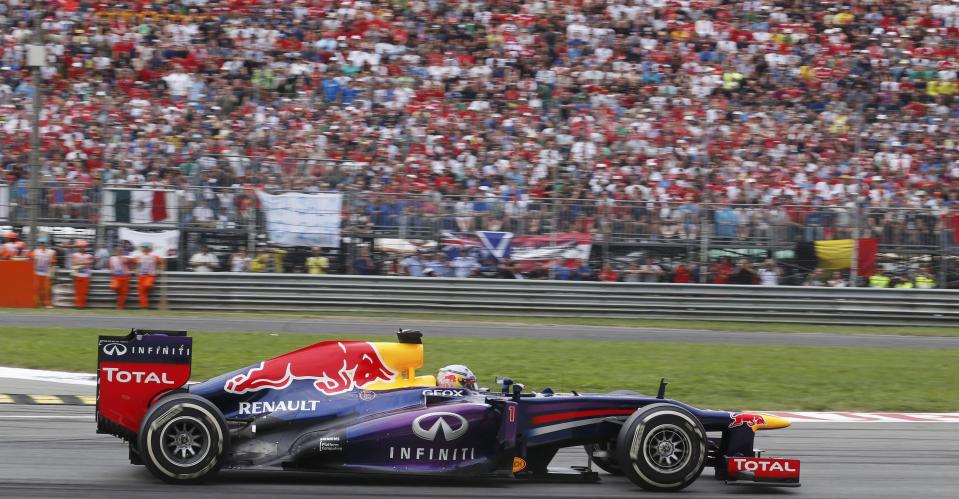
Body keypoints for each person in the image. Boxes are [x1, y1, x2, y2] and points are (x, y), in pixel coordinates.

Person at [134, 243, 163, 309]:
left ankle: (144, 305)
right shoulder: (139, 256)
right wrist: (136, 269)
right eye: (142, 247)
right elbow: (136, 264)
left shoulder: (154, 256)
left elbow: (161, 263)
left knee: (147, 285)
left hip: (150, 275)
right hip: (141, 275)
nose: (143, 248)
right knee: (142, 292)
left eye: (144, 247)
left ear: (148, 248)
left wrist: (159, 270)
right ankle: (144, 306)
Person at [32, 237, 56, 308]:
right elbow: (32, 260)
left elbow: (53, 262)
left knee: (47, 289)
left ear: (46, 244)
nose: (42, 245)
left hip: (46, 273)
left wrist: (51, 264)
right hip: (37, 273)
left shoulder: (51, 252)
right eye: (41, 243)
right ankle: (36, 303)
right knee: (36, 288)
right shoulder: (35, 251)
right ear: (39, 244)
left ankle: (47, 304)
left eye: (43, 243)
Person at [70, 240, 94, 308]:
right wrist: (85, 263)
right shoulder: (75, 255)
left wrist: (80, 264)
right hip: (77, 275)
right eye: (81, 247)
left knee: (84, 291)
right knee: (77, 291)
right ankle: (77, 305)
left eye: (84, 247)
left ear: (86, 248)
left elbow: (90, 263)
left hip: (86, 275)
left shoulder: (89, 255)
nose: (82, 248)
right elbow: (75, 263)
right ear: (78, 247)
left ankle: (83, 305)